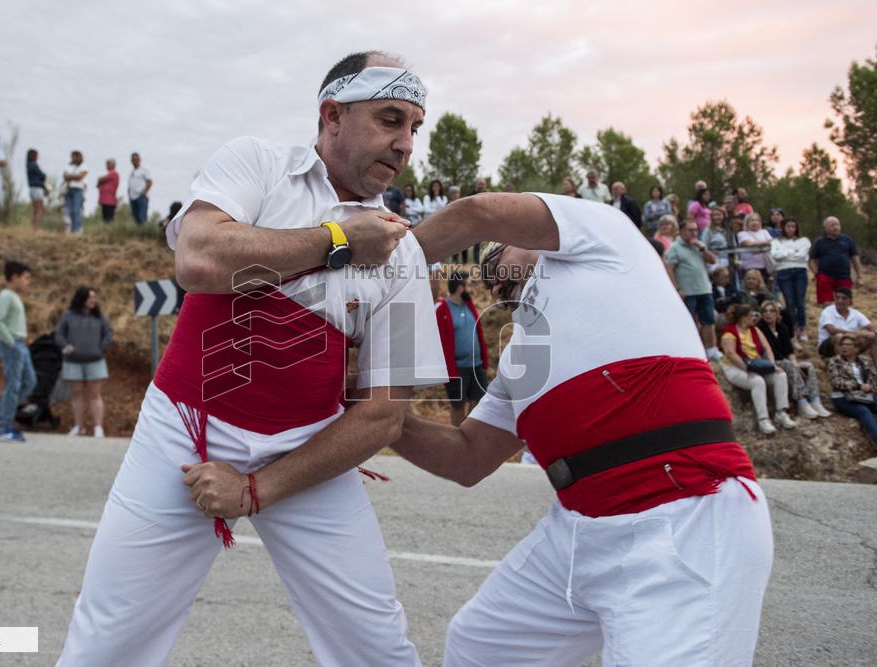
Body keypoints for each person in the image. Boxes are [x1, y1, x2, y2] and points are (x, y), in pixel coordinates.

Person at [58, 51, 464, 667]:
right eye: (389, 120)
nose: (405, 143)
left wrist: (256, 490)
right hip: (183, 433)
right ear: (332, 114)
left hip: (307, 451)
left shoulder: (403, 253)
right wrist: (339, 243)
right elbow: (198, 258)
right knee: (109, 642)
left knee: (376, 648)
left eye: (414, 127)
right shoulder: (257, 165)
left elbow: (383, 416)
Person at [393, 193, 773, 666]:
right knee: (480, 645)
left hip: (683, 516)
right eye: (490, 284)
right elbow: (468, 456)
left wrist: (382, 264)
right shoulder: (522, 358)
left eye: (499, 257)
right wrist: (383, 420)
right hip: (576, 532)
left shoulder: (605, 238)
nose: (495, 280)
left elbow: (479, 215)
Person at [720, 303, 796, 434]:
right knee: (757, 381)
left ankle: (781, 412)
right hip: (735, 367)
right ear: (743, 318)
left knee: (780, 376)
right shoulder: (729, 333)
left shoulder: (755, 330)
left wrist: (773, 366)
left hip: (755, 363)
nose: (754, 318)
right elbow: (731, 354)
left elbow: (767, 349)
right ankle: (763, 419)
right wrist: (746, 369)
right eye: (751, 315)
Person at [0, 261, 36, 443]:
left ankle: (1, 414)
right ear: (14, 277)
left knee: (30, 381)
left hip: (19, 344)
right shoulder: (6, 295)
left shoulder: (14, 296)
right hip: (12, 344)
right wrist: (11, 342)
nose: (28, 281)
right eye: (25, 277)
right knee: (14, 385)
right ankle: (4, 427)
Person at [54, 287, 113, 438]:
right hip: (72, 361)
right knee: (76, 394)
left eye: (93, 297)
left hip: (95, 360)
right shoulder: (69, 316)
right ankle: (78, 426)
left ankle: (98, 428)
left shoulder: (99, 316)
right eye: (89, 297)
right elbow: (59, 334)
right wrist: (66, 347)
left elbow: (108, 333)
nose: (93, 300)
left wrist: (102, 348)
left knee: (95, 394)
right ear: (81, 299)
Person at [756, 300, 831, 419]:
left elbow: (789, 351)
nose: (768, 314)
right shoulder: (759, 329)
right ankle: (802, 402)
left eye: (771, 311)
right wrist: (792, 364)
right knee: (789, 365)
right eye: (765, 311)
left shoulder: (782, 328)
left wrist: (795, 363)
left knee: (808, 366)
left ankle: (815, 400)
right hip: (770, 361)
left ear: (777, 313)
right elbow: (770, 352)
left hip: (785, 360)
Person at [436, 271, 489, 426]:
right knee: (458, 405)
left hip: (476, 365)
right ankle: (457, 437)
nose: (472, 288)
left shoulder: (469, 305)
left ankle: (469, 436)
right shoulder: (443, 309)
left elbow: (478, 332)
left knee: (478, 402)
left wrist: (484, 360)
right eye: (469, 284)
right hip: (457, 368)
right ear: (460, 288)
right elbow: (442, 342)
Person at [665, 220, 721, 361]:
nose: (694, 233)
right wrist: (677, 288)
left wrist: (702, 249)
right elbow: (669, 269)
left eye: (696, 230)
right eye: (690, 230)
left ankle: (711, 350)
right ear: (682, 231)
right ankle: (690, 351)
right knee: (689, 322)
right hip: (688, 291)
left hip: (704, 289)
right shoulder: (675, 247)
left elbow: (713, 261)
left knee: (708, 321)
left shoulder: (699, 245)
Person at [827, 334, 877, 446]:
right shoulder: (834, 361)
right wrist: (858, 386)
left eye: (848, 345)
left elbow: (874, 378)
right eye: (842, 344)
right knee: (863, 411)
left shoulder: (865, 361)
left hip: (865, 395)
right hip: (843, 398)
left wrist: (870, 387)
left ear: (856, 348)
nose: (844, 347)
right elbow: (836, 382)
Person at [771, 217, 811, 341]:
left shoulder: (804, 240)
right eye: (788, 226)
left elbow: (803, 256)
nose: (791, 229)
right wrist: (793, 252)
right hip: (783, 272)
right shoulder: (776, 241)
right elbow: (775, 255)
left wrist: (785, 254)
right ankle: (792, 328)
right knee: (789, 302)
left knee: (800, 301)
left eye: (793, 226)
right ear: (783, 227)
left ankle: (802, 328)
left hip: (800, 271)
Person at [810, 216, 862, 305]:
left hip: (844, 276)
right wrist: (817, 274)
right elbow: (812, 259)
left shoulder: (847, 240)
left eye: (837, 224)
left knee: (845, 304)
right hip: (825, 276)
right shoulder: (820, 242)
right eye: (832, 225)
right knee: (827, 304)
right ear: (826, 228)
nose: (836, 227)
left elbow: (855, 258)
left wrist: (859, 276)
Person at [818, 287, 877, 359]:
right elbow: (832, 331)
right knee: (839, 336)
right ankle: (842, 367)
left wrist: (873, 332)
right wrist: (857, 334)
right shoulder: (827, 311)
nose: (840, 301)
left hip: (851, 343)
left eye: (844, 298)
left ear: (850, 301)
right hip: (828, 347)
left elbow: (870, 326)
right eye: (837, 298)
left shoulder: (855, 313)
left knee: (872, 336)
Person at [737, 213, 773, 282]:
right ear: (747, 222)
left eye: (757, 220)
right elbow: (748, 244)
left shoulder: (764, 231)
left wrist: (756, 243)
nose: (755, 222)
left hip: (765, 266)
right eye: (752, 220)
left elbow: (772, 242)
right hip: (748, 267)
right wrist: (765, 242)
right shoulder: (742, 233)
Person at [62, 151, 88, 235]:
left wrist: (70, 176)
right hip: (68, 190)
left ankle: (77, 230)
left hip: (78, 190)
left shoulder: (84, 166)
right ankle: (68, 230)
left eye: (74, 156)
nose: (72, 158)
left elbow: (80, 177)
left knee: (76, 210)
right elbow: (65, 176)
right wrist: (73, 176)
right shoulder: (69, 166)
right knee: (68, 211)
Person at [702, 207, 731, 272]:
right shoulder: (708, 231)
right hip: (716, 262)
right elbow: (704, 247)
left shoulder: (728, 230)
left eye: (719, 215)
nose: (716, 217)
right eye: (714, 215)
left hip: (729, 262)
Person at [127, 152, 153, 224]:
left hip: (141, 197)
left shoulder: (144, 170)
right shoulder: (131, 173)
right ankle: (138, 234)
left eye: (136, 159)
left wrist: (144, 192)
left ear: (139, 160)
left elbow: (150, 182)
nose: (134, 161)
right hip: (132, 198)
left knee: (142, 218)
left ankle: (144, 233)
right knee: (136, 218)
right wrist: (129, 194)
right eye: (133, 160)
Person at [26, 149, 47, 231]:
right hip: (37, 188)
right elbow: (42, 175)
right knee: (40, 209)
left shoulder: (28, 165)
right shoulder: (34, 165)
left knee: (35, 210)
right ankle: (36, 228)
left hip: (31, 188)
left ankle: (33, 227)